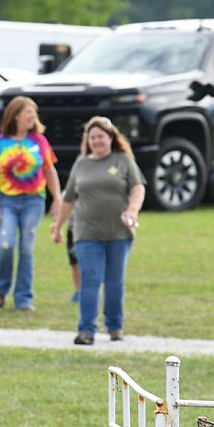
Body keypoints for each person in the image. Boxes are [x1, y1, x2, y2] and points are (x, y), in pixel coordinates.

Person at [50, 116, 146, 346]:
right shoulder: (81, 164)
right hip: (87, 233)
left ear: (111, 138)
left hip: (118, 233)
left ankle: (115, 326)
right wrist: (58, 226)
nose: (96, 141)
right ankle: (86, 330)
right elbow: (69, 198)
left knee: (114, 282)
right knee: (90, 280)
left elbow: (137, 188)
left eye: (100, 137)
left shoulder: (123, 161)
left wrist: (132, 211)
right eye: (92, 138)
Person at [0, 96, 60, 311]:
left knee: (27, 247)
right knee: (6, 244)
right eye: (29, 112)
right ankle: (1, 288)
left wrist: (57, 198)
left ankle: (24, 298)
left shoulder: (39, 141)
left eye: (34, 113)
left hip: (33, 201)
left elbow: (49, 170)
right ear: (16, 115)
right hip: (7, 201)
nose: (33, 116)